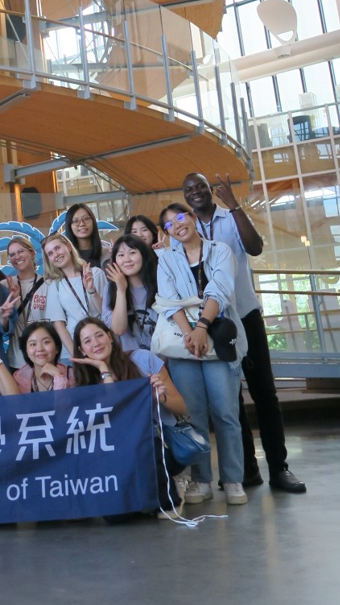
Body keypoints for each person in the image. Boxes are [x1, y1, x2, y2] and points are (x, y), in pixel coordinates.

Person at [181, 171, 305, 494]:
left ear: (210, 190)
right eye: (189, 189)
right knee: (229, 399)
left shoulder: (230, 217)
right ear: (185, 197)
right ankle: (247, 470)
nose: (196, 192)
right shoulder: (186, 228)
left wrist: (235, 206)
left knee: (264, 393)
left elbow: (255, 247)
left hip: (245, 316)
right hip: (213, 322)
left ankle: (279, 468)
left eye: (201, 186)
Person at [157, 203, 248, 506]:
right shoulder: (166, 259)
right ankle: (201, 480)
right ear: (167, 232)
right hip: (185, 346)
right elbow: (169, 301)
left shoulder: (220, 250)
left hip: (218, 340)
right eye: (169, 224)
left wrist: (202, 328)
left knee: (226, 413)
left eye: (180, 217)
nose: (177, 225)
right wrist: (189, 335)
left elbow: (220, 290)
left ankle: (233, 479)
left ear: (193, 218)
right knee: (193, 414)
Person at [70, 316, 188, 513]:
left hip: (152, 445)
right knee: (116, 517)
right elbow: (116, 412)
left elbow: (182, 408)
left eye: (99, 335)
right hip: (113, 453)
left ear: (110, 337)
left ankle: (171, 485)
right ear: (82, 350)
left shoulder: (143, 359)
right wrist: (103, 369)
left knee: (164, 508)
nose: (96, 343)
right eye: (88, 341)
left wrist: (159, 396)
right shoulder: (84, 384)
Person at [35, 232, 106, 358]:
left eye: (57, 248)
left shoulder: (95, 273)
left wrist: (91, 290)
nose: (56, 254)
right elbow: (59, 325)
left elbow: (106, 313)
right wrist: (76, 356)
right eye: (50, 253)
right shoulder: (55, 285)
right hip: (74, 346)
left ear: (68, 246)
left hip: (100, 343)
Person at [102, 235, 159, 353]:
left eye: (132, 253)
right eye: (121, 255)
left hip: (162, 356)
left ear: (143, 255)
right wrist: (121, 290)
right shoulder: (110, 289)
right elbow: (118, 329)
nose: (127, 259)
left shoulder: (159, 284)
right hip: (130, 359)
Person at [1, 234, 44, 370]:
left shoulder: (48, 284)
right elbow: (2, 329)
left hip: (43, 357)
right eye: (12, 254)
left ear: (32, 253)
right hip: (16, 361)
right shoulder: (4, 285)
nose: (17, 257)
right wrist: (11, 303)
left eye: (21, 251)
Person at [15, 321, 68, 393]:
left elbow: (63, 400)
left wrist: (58, 376)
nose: (40, 349)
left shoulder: (72, 376)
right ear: (26, 351)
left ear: (57, 348)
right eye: (33, 344)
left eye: (46, 342)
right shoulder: (19, 379)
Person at [63, 203, 112, 268]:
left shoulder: (107, 254)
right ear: (69, 226)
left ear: (93, 221)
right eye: (75, 221)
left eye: (86, 218)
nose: (82, 224)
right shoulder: (66, 257)